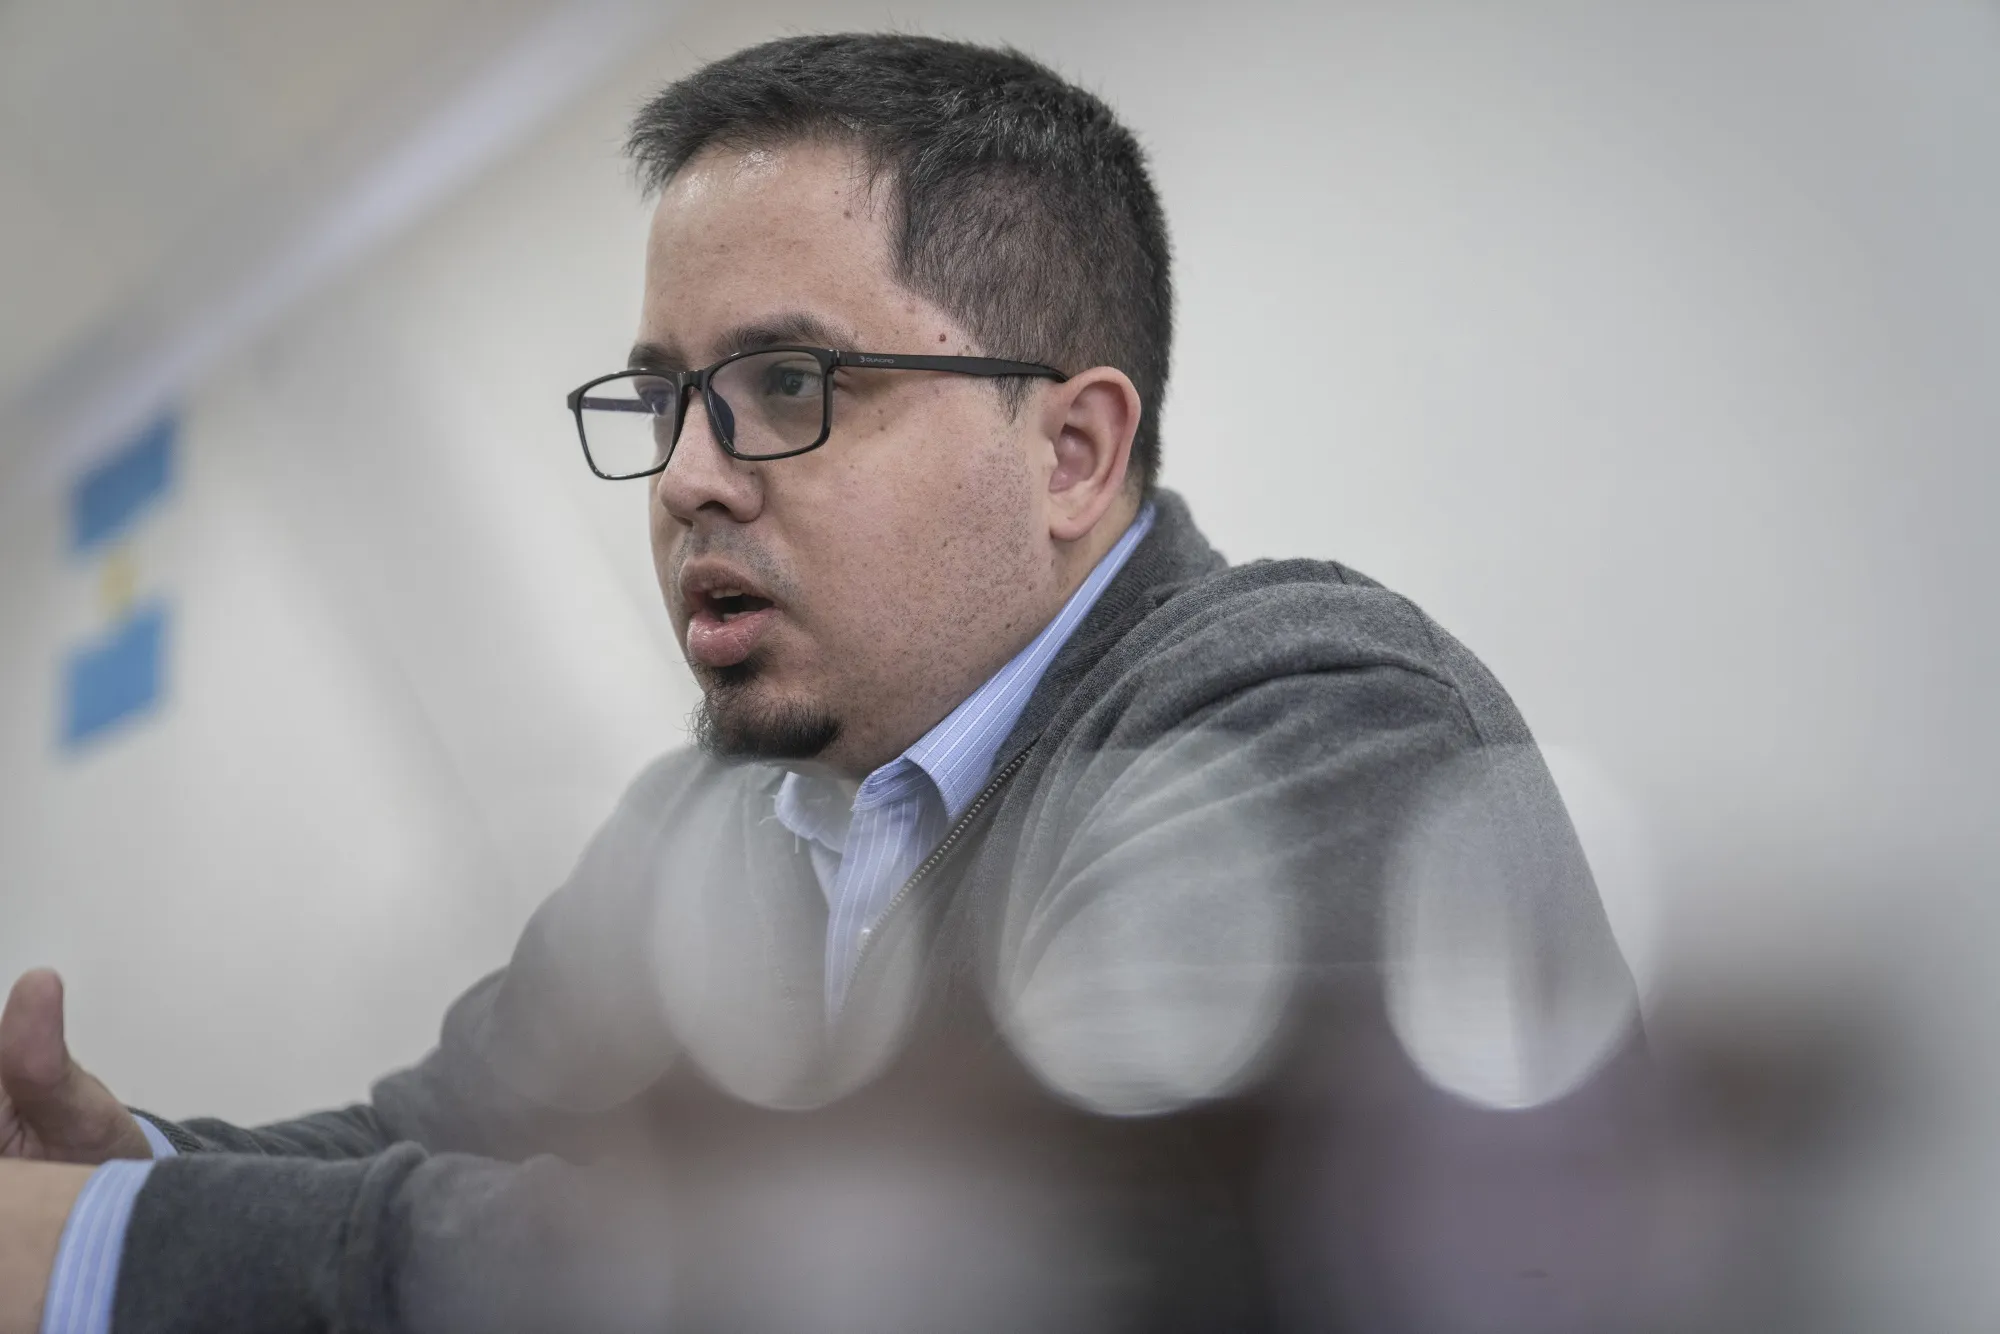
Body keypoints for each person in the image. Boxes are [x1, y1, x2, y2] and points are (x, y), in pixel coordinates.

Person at [0, 34, 1651, 1334]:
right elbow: (427, 1135)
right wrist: (118, 1161)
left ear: (1075, 451)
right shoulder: (704, 822)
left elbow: (989, 1257)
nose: (686, 480)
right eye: (664, 400)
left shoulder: (1311, 721)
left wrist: (110, 1254)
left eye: (788, 384)